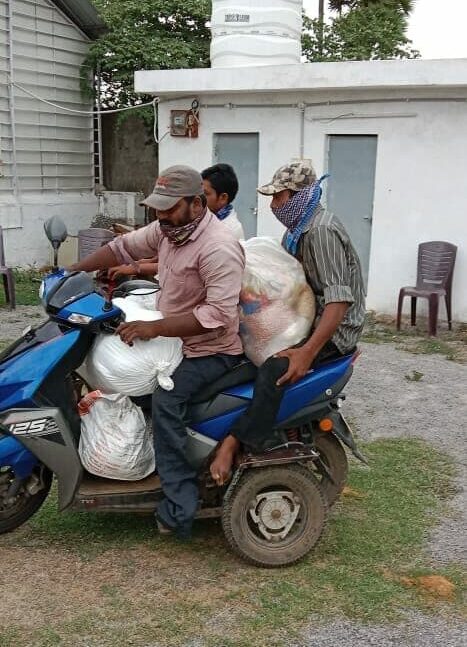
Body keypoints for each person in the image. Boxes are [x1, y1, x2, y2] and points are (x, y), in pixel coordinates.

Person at [69, 165, 245, 539]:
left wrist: (153, 328)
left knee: (166, 400)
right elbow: (121, 246)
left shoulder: (218, 246)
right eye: (156, 208)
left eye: (168, 207)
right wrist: (73, 272)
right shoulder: (170, 231)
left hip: (211, 350)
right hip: (177, 341)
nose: (159, 215)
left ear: (197, 203)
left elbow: (216, 316)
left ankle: (179, 504)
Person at [210, 160, 366, 485]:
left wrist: (306, 353)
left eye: (278, 197)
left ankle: (239, 442)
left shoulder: (320, 231)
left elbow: (338, 302)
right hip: (308, 317)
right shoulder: (298, 231)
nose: (273, 205)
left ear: (297, 196)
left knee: (272, 371)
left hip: (334, 330)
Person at [201, 163, 245, 240]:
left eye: (205, 193)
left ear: (223, 198)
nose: (198, 198)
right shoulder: (205, 218)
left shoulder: (230, 230)